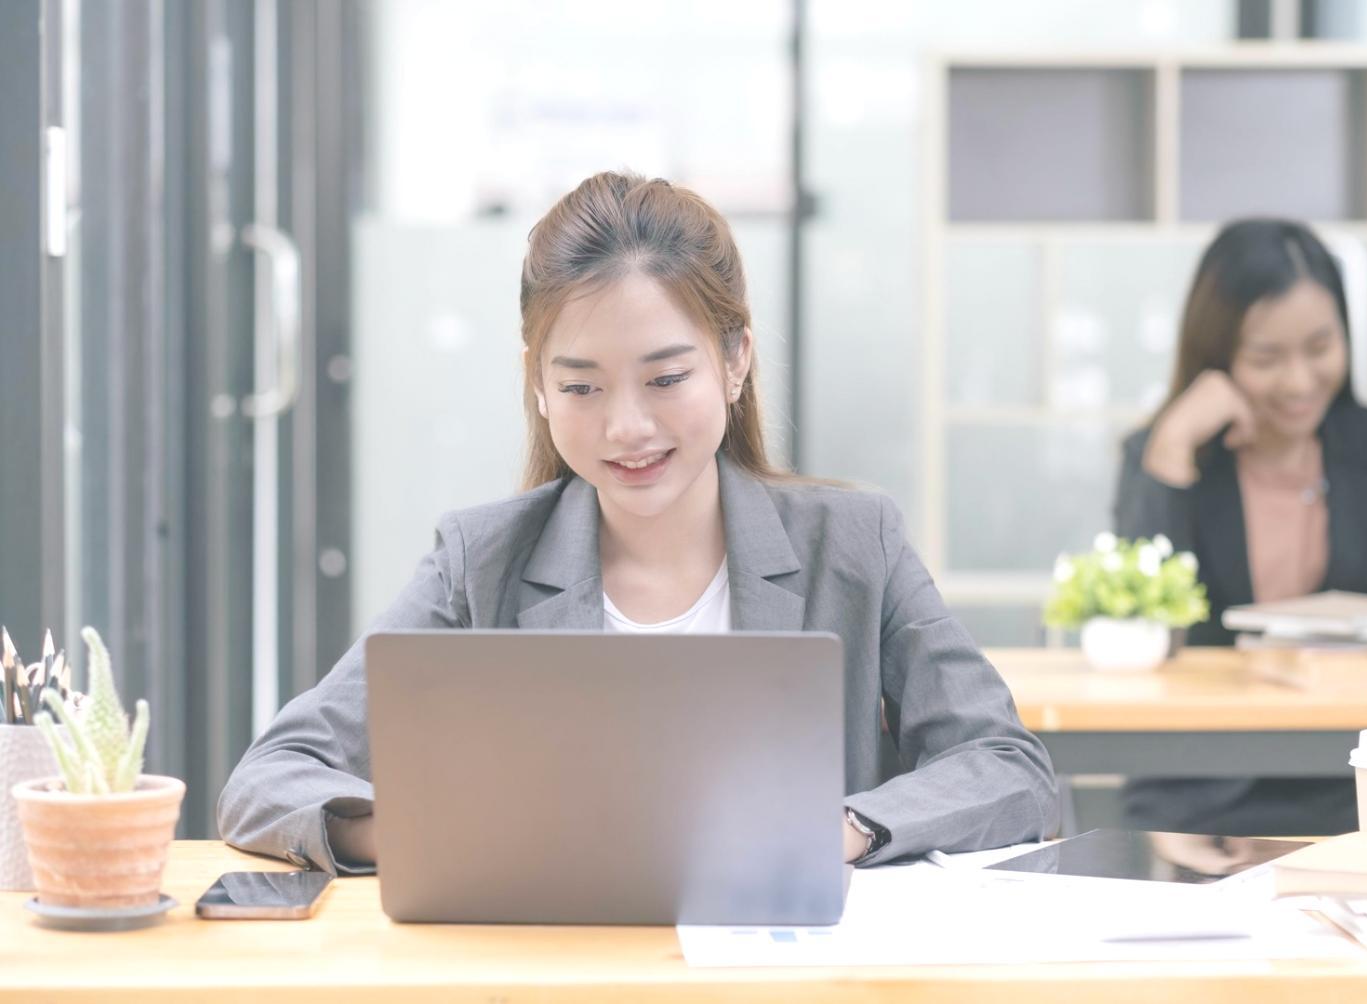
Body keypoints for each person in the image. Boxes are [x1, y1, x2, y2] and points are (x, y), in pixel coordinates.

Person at [218, 171, 1057, 873]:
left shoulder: (854, 543)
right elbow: (271, 778)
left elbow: (1007, 766)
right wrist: (445, 836)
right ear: (538, 385)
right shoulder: (479, 562)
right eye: (581, 387)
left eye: (665, 379)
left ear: (735, 361)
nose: (626, 427)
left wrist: (839, 830)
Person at [1112, 218, 1367, 836]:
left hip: (1350, 789)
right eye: (1267, 357)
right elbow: (1140, 629)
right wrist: (1171, 448)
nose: (1299, 381)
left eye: (1320, 348)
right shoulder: (1168, 455)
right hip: (1192, 795)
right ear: (1218, 355)